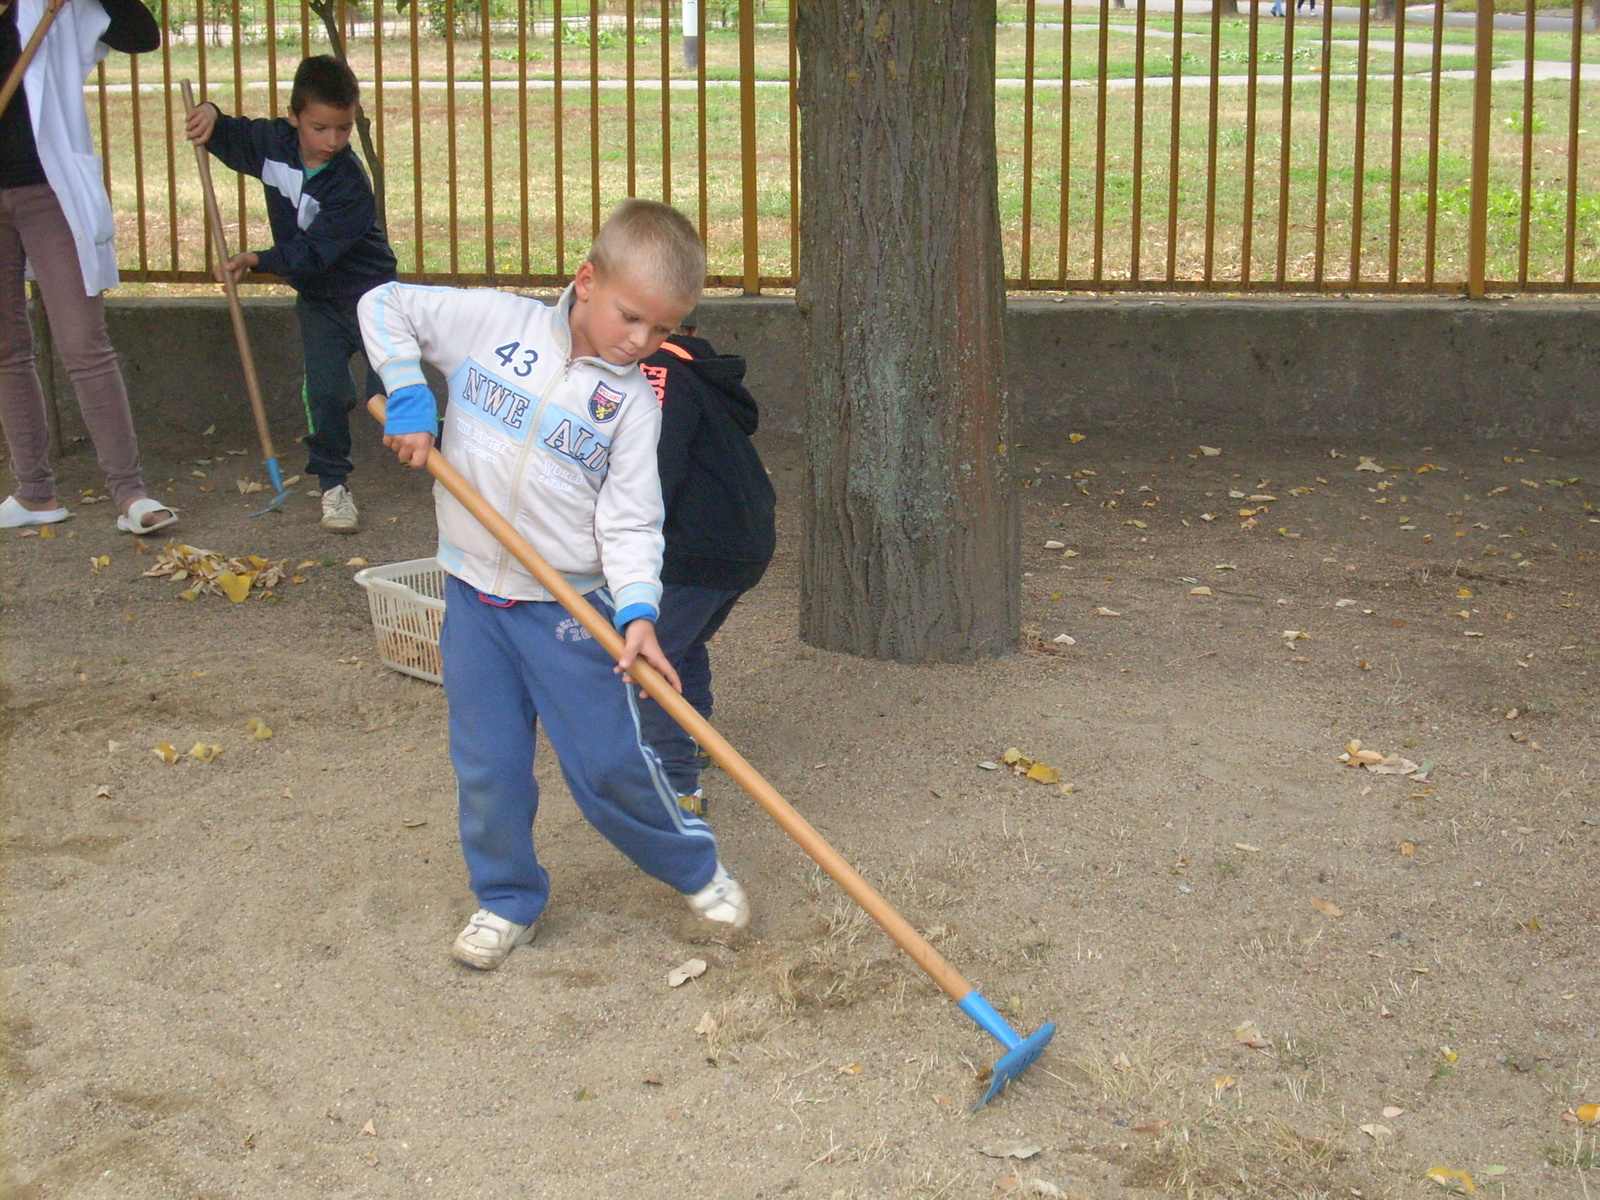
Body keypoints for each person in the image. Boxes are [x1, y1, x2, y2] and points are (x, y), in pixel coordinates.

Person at [358, 199, 749, 971]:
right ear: (586, 280)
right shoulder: (492, 324)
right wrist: (408, 391)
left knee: (607, 764)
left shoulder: (634, 403)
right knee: (488, 762)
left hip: (568, 607)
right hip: (474, 596)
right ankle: (507, 899)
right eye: (631, 318)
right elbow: (384, 303)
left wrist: (638, 615)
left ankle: (696, 870)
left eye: (663, 331)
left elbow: (634, 524)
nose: (641, 342)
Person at [184, 54, 395, 534]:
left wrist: (258, 259)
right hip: (319, 303)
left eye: (343, 129)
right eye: (320, 128)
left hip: (375, 298)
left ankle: (461, 468)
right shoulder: (273, 144)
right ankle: (334, 488)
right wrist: (211, 115)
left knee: (394, 397)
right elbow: (232, 136)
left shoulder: (349, 183)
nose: (333, 141)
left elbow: (315, 252)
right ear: (294, 117)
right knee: (325, 393)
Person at [0, 0, 177, 536]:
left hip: (50, 193)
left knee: (82, 343)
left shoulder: (49, 7)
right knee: (5, 347)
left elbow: (141, 34)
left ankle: (130, 494)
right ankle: (34, 493)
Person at [635, 316, 775, 815]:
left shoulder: (654, 371)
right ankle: (696, 736)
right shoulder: (690, 366)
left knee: (647, 659)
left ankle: (675, 785)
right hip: (740, 537)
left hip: (697, 546)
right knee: (680, 642)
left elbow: (654, 467)